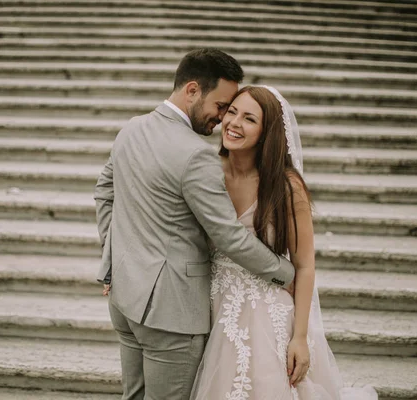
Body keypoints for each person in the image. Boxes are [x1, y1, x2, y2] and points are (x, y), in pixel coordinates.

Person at [93, 49, 297, 400]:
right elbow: (228, 236)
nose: (222, 119)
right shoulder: (196, 154)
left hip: (125, 301)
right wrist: (285, 272)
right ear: (192, 90)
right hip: (170, 316)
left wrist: (112, 265)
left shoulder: (131, 128)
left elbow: (103, 194)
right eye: (221, 106)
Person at [190, 86, 378, 400]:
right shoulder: (207, 173)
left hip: (268, 314)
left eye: (249, 118)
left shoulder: (286, 186)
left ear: (267, 133)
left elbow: (304, 265)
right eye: (232, 112)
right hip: (213, 308)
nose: (234, 123)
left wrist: (301, 337)